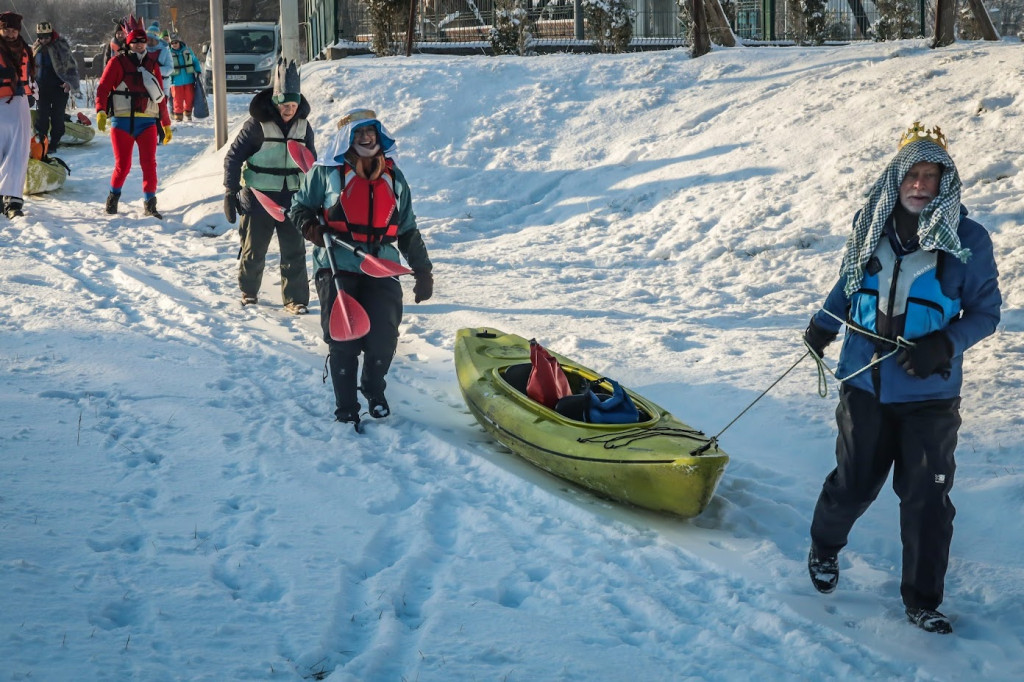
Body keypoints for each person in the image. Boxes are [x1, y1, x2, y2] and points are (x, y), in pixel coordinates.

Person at [802, 122, 1001, 635]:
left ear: (944, 182)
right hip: (865, 383)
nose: (919, 185)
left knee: (927, 499)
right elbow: (848, 282)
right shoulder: (871, 223)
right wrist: (824, 324)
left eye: (930, 176)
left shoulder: (970, 240)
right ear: (897, 178)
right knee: (854, 484)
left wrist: (945, 344)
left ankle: (922, 600)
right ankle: (825, 547)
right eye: (911, 174)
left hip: (930, 395)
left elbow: (986, 313)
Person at [289, 108, 434, 429]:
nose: (366, 138)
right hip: (336, 263)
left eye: (371, 132)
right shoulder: (327, 171)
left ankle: (372, 386)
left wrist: (423, 271)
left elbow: (407, 228)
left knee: (384, 337)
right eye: (359, 133)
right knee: (343, 340)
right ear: (346, 139)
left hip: (381, 263)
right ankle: (347, 406)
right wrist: (311, 226)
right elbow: (299, 206)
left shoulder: (394, 176)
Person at [223, 58, 314, 314]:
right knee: (255, 249)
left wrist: (315, 197)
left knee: (294, 250)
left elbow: (312, 164)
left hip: (293, 199)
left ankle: (295, 299)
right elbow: (233, 157)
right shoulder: (256, 126)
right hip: (259, 197)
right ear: (276, 102)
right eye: (285, 105)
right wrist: (230, 191)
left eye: (294, 105)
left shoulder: (304, 127)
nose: (289, 110)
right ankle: (249, 292)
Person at [95, 15, 171, 218]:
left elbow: (160, 95)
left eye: (142, 40)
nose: (139, 44)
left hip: (147, 121)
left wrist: (166, 123)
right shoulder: (117, 62)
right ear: (128, 43)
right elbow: (102, 88)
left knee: (149, 164)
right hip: (122, 122)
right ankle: (113, 196)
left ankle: (150, 203)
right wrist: (101, 111)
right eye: (135, 41)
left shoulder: (153, 64)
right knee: (123, 166)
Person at [0, 11, 34, 219]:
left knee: (18, 153)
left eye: (13, 30)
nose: (10, 34)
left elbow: (30, 75)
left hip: (18, 103)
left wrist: (34, 92)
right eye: (6, 30)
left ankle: (13, 198)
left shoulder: (26, 49)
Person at [32, 21, 80, 153]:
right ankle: (42, 139)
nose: (43, 40)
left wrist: (70, 83)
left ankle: (55, 141)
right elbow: (31, 67)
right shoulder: (36, 47)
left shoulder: (61, 46)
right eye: (41, 37)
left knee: (57, 116)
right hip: (42, 87)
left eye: (46, 37)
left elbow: (71, 67)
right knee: (42, 115)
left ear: (51, 35)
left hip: (59, 87)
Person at [167, 33, 200, 122]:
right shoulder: (168, 53)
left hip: (189, 79)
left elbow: (195, 61)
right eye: (172, 43)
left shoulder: (187, 50)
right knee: (177, 99)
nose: (174, 45)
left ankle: (188, 113)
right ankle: (178, 115)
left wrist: (198, 70)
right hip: (175, 81)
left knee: (189, 97)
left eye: (176, 42)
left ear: (179, 42)